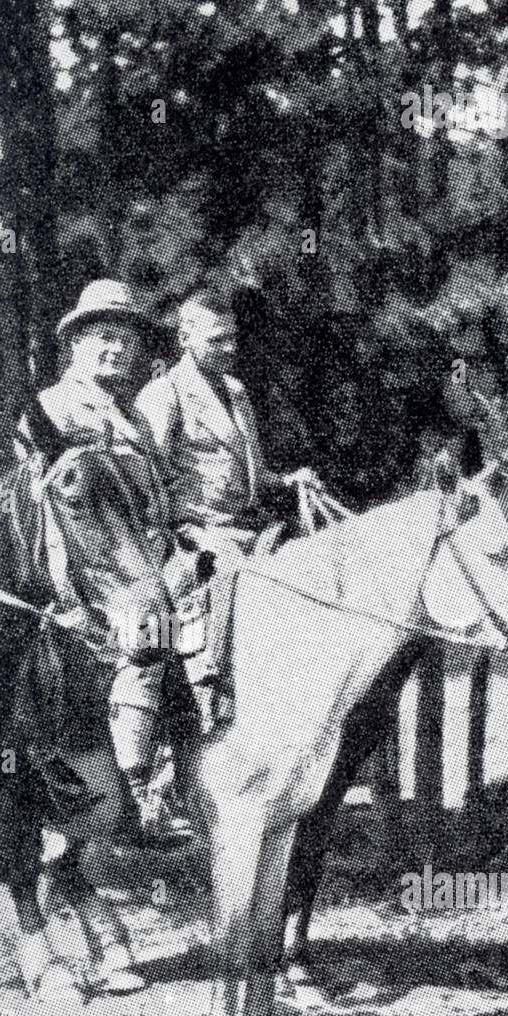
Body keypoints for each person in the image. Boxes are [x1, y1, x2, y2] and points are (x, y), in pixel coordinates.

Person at [12, 279, 190, 846]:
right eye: (102, 339)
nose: (116, 350)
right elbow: (47, 500)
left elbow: (158, 499)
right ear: (75, 346)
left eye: (126, 341)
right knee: (152, 637)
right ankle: (136, 797)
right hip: (80, 569)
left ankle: (188, 779)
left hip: (139, 557)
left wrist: (183, 544)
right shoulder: (51, 409)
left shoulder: (135, 419)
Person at [136, 287, 322, 723]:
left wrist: (289, 480)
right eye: (217, 340)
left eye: (232, 338)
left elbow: (252, 472)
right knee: (239, 583)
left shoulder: (236, 391)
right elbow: (145, 477)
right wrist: (178, 529)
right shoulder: (165, 396)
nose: (230, 348)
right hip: (202, 532)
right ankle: (212, 692)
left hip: (253, 524)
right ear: (185, 338)